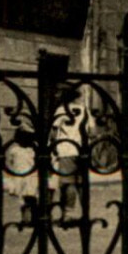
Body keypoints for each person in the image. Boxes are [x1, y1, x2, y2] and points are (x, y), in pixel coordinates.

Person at [50, 90, 94, 224]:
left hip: (65, 149)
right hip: (82, 150)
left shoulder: (61, 110)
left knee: (68, 182)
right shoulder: (85, 110)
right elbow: (92, 130)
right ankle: (85, 213)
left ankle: (67, 214)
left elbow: (53, 131)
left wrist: (53, 146)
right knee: (81, 183)